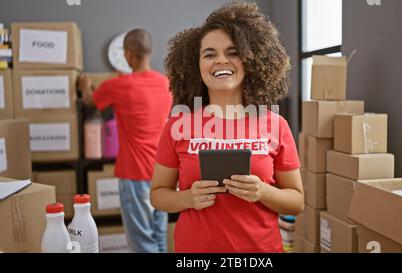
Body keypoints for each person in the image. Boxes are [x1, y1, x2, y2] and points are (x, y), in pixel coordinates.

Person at [151, 2, 304, 253]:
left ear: (250, 60)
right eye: (209, 54)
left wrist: (263, 192)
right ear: (196, 65)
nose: (221, 60)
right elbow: (158, 195)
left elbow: (296, 202)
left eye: (233, 52)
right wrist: (187, 198)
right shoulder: (177, 126)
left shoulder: (276, 125)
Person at [78, 29, 173, 253]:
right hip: (163, 173)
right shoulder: (166, 84)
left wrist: (84, 84)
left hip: (134, 173)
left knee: (142, 243)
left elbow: (90, 101)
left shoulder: (119, 85)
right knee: (160, 240)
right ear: (149, 52)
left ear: (129, 55)